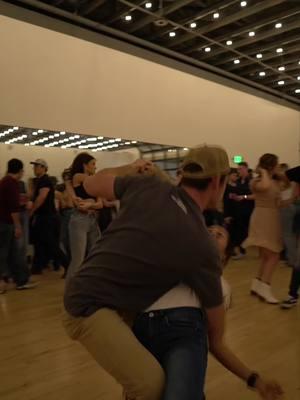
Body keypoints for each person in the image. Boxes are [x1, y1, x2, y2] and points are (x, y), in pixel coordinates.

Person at [63, 146, 283, 400]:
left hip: (103, 300)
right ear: (216, 182)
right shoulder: (200, 244)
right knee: (150, 386)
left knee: (141, 383)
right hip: (88, 306)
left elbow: (90, 185)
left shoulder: (150, 187)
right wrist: (254, 380)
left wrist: (131, 169)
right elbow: (217, 340)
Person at [244, 154, 283, 304]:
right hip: (262, 218)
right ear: (271, 166)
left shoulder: (274, 182)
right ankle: (265, 290)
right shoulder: (257, 181)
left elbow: (278, 202)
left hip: (273, 217)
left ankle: (257, 286)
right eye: (277, 164)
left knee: (268, 255)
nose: (279, 167)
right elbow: (265, 187)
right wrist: (264, 172)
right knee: (273, 255)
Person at [0, 159, 36, 293]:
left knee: (11, 253)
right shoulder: (12, 183)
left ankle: (20, 280)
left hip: (3, 222)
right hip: (7, 223)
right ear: (20, 171)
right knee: (8, 253)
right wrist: (18, 226)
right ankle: (17, 280)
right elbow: (13, 208)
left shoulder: (4, 181)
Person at [65, 153, 102, 279]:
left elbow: (100, 204)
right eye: (93, 164)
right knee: (78, 260)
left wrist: (90, 204)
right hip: (79, 220)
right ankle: (70, 292)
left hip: (92, 220)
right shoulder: (79, 176)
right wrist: (92, 203)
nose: (95, 167)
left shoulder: (91, 180)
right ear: (84, 165)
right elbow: (97, 187)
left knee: (95, 257)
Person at [30, 159, 62, 274]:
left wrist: (32, 211)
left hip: (47, 217)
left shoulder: (45, 181)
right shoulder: (40, 181)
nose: (34, 168)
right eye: (34, 166)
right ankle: (37, 267)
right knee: (40, 242)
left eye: (37, 166)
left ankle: (65, 263)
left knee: (50, 243)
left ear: (44, 168)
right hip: (44, 216)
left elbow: (41, 198)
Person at [230, 162, 255, 259]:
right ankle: (240, 251)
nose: (238, 171)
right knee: (238, 230)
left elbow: (255, 195)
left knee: (244, 231)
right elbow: (236, 192)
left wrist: (243, 197)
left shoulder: (251, 181)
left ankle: (242, 250)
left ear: (246, 169)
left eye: (240, 169)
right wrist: (233, 196)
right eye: (238, 169)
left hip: (248, 209)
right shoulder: (238, 181)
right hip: (238, 209)